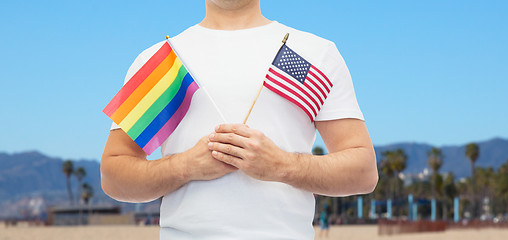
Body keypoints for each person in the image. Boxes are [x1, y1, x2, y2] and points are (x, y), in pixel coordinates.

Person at [100, 0, 378, 239]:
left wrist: (281, 165)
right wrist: (184, 166)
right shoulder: (162, 60)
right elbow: (113, 175)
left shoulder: (314, 53)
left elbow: (363, 171)